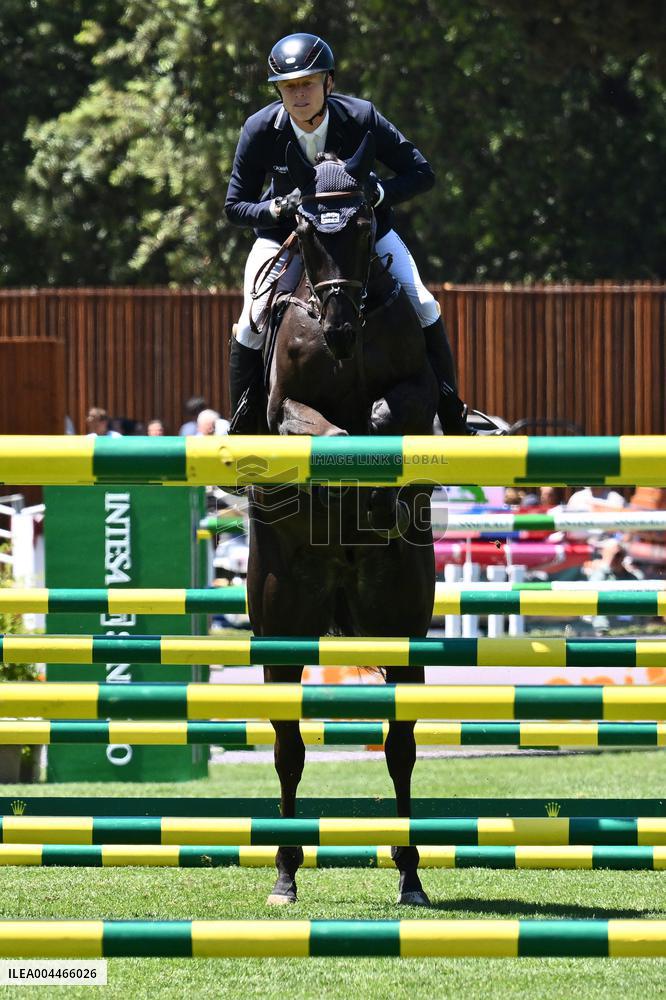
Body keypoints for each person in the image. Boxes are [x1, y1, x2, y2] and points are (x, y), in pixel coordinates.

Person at [225, 32, 470, 435]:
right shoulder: (260, 129)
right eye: (289, 87)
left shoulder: (361, 117)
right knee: (251, 322)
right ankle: (242, 430)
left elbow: (421, 173)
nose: (298, 94)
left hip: (361, 236)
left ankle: (453, 415)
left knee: (424, 303)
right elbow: (234, 206)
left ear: (329, 82)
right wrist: (275, 208)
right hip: (287, 237)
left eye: (307, 83)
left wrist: (381, 193)